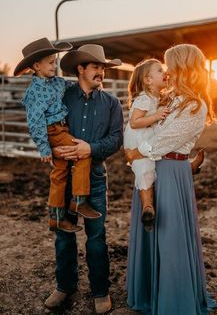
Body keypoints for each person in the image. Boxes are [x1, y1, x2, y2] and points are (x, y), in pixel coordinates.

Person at [125, 44, 217, 315]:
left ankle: (173, 299)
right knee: (153, 230)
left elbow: (162, 142)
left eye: (170, 66)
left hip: (170, 173)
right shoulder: (173, 99)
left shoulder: (195, 106)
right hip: (155, 170)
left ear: (183, 68)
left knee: (170, 236)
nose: (167, 72)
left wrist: (134, 151)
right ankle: (149, 291)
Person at [44, 44, 123, 314]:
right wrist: (52, 148)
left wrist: (89, 148)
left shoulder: (111, 103)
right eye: (96, 67)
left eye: (103, 67)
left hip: (96, 177)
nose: (101, 71)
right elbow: (47, 125)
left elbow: (116, 140)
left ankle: (100, 290)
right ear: (81, 69)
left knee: (97, 236)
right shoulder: (62, 97)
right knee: (63, 235)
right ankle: (65, 286)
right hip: (65, 176)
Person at [14, 38, 101, 233]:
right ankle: (78, 201)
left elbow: (71, 86)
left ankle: (56, 217)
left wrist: (91, 83)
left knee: (59, 173)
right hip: (53, 130)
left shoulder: (56, 83)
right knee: (82, 154)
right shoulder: (34, 92)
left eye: (55, 61)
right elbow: (35, 122)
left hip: (60, 129)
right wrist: (44, 147)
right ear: (37, 66)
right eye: (51, 62)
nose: (55, 65)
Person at [124, 59, 170, 231]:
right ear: (148, 80)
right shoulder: (144, 98)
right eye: (160, 70)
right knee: (145, 170)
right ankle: (147, 206)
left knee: (149, 168)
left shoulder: (156, 97)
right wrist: (157, 116)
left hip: (146, 135)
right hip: (138, 137)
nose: (165, 73)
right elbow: (135, 122)